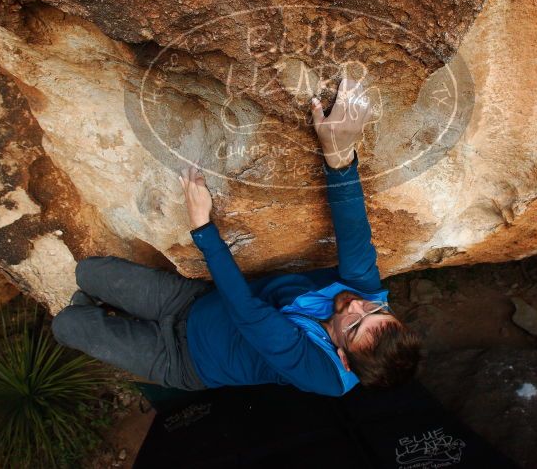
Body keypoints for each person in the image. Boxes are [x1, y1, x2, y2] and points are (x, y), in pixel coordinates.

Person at [52, 79, 422, 396]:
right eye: (376, 310)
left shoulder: (323, 374)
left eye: (355, 325)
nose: (357, 305)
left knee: (66, 325)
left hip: (186, 361)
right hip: (192, 303)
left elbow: (250, 313)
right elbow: (354, 231)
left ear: (343, 355)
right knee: (88, 272)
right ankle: (101, 306)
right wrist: (338, 154)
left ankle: (96, 314)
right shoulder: (365, 294)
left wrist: (203, 228)